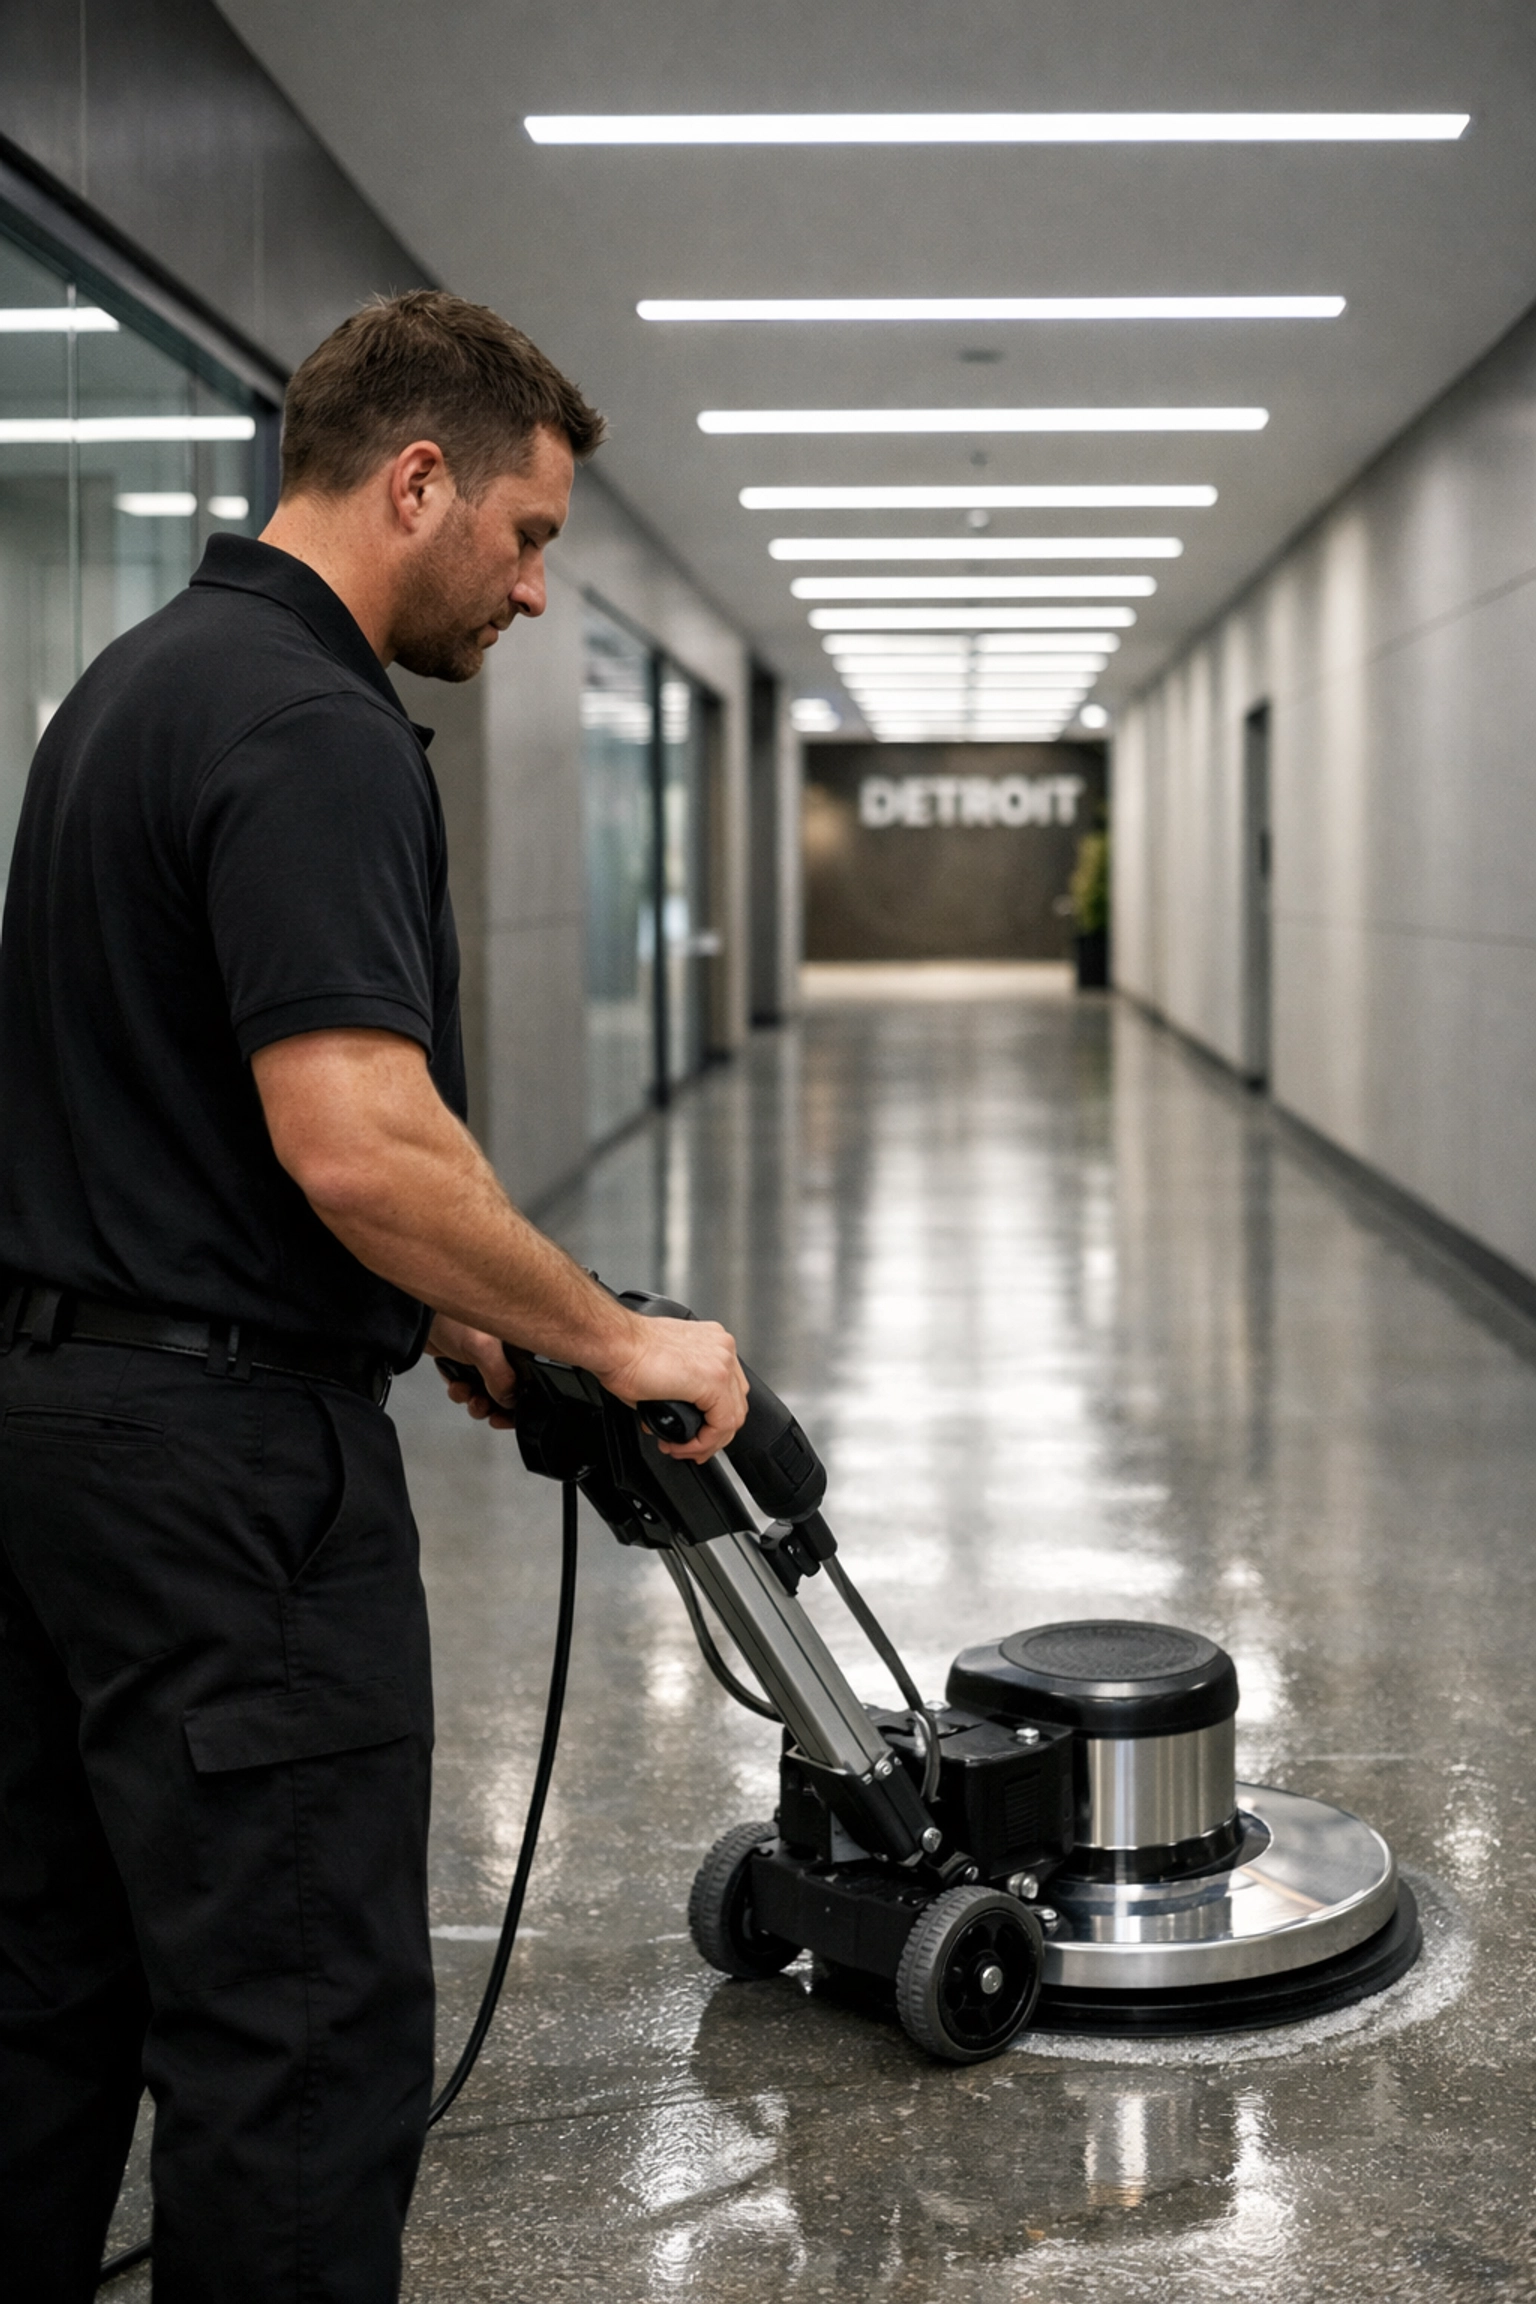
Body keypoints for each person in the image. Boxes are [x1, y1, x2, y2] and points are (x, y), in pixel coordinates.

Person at [0, 289, 748, 2304]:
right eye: (525, 533)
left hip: (57, 1439)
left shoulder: (138, 687)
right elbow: (357, 1139)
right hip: (226, 1496)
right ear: (418, 478)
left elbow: (184, 1103)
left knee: (48, 2004)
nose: (529, 588)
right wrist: (614, 1331)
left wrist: (444, 1304)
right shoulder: (316, 724)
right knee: (299, 2041)